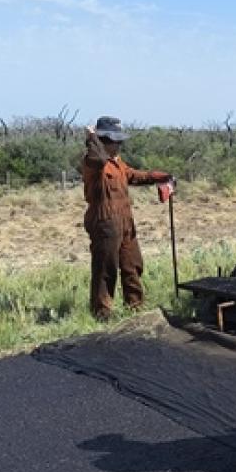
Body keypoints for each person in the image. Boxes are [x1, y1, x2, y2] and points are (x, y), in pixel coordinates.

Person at [79, 116, 173, 320]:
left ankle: (135, 307)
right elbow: (98, 158)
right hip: (105, 220)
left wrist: (159, 176)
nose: (119, 145)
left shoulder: (117, 163)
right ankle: (102, 313)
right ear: (104, 140)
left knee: (132, 263)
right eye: (116, 141)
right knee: (106, 267)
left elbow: (133, 175)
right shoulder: (94, 162)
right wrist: (91, 137)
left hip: (124, 221)